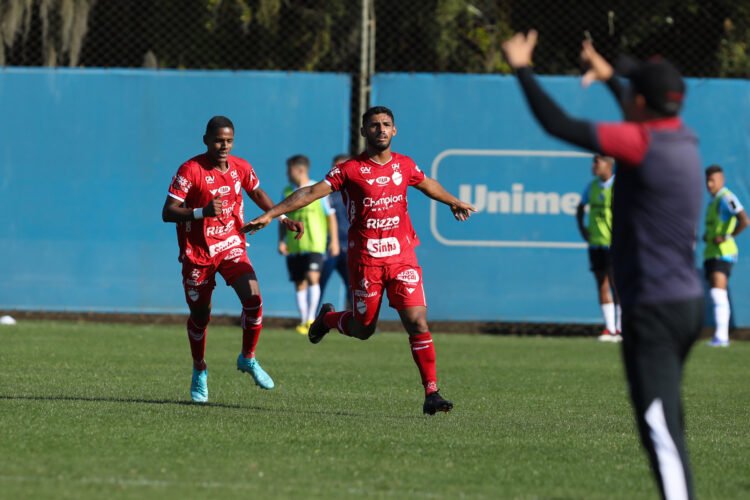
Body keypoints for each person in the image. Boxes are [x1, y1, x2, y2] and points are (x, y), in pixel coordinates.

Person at [502, 32, 703, 499]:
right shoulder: (682, 136)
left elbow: (559, 125)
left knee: (659, 430)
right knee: (667, 422)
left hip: (653, 311)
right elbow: (641, 108)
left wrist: (521, 68)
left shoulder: (641, 144)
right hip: (682, 304)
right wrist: (613, 76)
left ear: (639, 101)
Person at [242, 106, 476, 415]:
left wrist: (453, 201)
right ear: (364, 132)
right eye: (374, 125)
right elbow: (312, 192)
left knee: (417, 321)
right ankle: (327, 319)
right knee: (364, 329)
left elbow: (426, 182)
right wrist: (272, 214)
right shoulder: (350, 169)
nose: (381, 129)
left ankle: (432, 393)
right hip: (366, 261)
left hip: (402, 256)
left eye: (386, 124)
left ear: (394, 131)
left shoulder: (404, 165)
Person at [162, 116, 303, 403]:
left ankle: (248, 358)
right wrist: (202, 212)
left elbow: (257, 192)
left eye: (228, 141)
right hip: (198, 254)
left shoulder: (241, 167)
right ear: (205, 140)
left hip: (231, 245)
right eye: (217, 140)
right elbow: (168, 212)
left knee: (253, 299)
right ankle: (199, 368)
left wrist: (283, 217)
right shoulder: (190, 170)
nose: (223, 146)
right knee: (201, 317)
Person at [279, 155, 339, 334]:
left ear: (300, 170)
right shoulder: (287, 191)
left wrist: (334, 240)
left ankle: (312, 318)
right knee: (299, 283)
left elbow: (331, 216)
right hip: (295, 245)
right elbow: (281, 218)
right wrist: (281, 241)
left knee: (313, 277)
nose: (287, 174)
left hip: (315, 244)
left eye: (289, 170)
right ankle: (304, 320)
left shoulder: (318, 189)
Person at [575, 154, 621, 342]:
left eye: (597, 161)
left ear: (609, 164)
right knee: (601, 283)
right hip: (596, 243)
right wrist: (583, 230)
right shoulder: (592, 187)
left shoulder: (619, 186)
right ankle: (609, 329)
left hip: (614, 244)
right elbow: (579, 209)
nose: (594, 165)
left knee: (616, 284)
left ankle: (620, 328)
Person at [702, 164, 749, 347]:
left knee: (718, 292)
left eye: (712, 180)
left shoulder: (726, 198)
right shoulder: (712, 201)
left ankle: (722, 336)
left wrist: (727, 236)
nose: (709, 184)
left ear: (721, 180)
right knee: (716, 292)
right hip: (711, 253)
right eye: (707, 180)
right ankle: (720, 336)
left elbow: (744, 220)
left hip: (724, 253)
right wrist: (709, 236)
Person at [319, 154, 352, 310]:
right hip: (329, 247)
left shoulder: (360, 190)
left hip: (351, 247)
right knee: (318, 283)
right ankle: (311, 319)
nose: (337, 170)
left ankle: (360, 321)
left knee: (354, 286)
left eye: (341, 166)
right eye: (335, 167)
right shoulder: (325, 192)